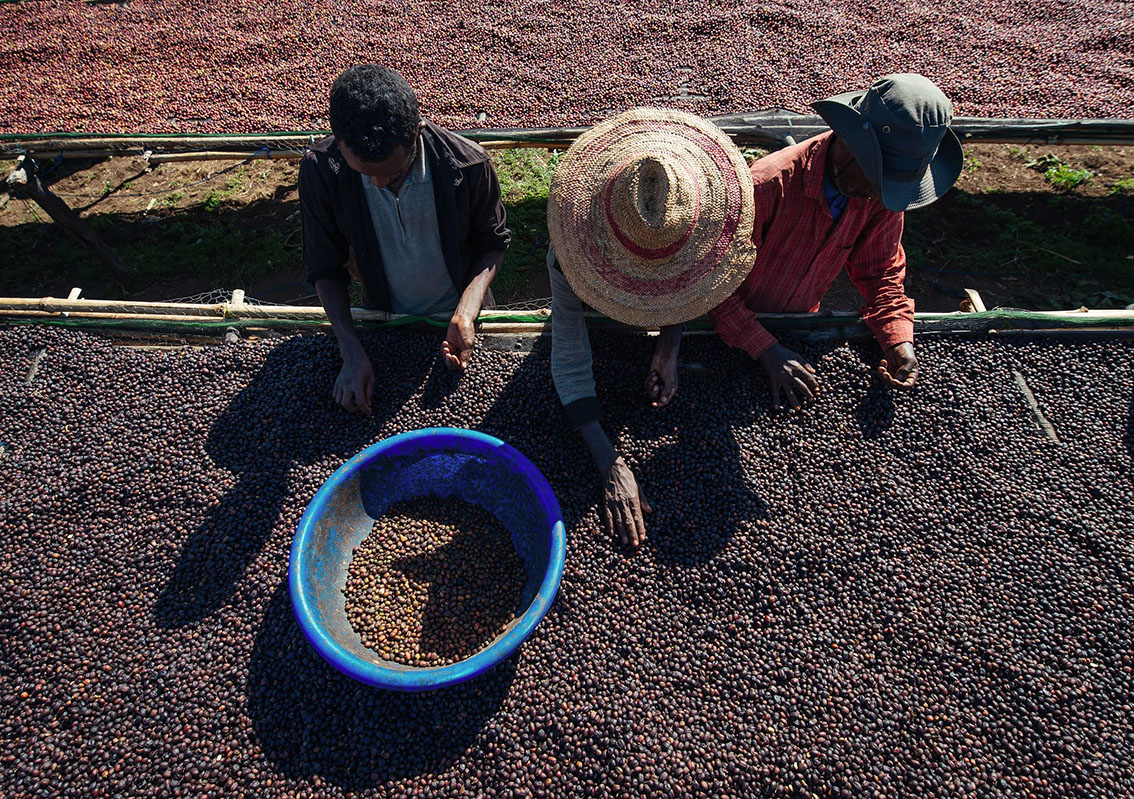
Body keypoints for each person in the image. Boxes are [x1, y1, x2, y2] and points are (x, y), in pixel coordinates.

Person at [547, 108, 757, 550]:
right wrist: (610, 463)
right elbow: (568, 359)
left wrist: (669, 343)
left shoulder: (701, 223)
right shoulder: (573, 256)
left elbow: (692, 285)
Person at [710, 73, 963, 409]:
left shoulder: (881, 198)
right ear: (849, 148)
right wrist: (765, 348)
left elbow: (880, 274)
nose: (879, 195)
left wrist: (897, 339)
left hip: (797, 328)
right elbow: (709, 283)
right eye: (876, 182)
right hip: (719, 330)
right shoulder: (767, 186)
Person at [299, 65, 510, 414]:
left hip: (460, 317)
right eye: (365, 173)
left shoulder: (467, 165)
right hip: (385, 321)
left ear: (417, 131)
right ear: (338, 142)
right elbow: (324, 265)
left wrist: (466, 311)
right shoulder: (322, 171)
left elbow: (492, 241)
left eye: (394, 172)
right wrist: (350, 349)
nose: (379, 185)